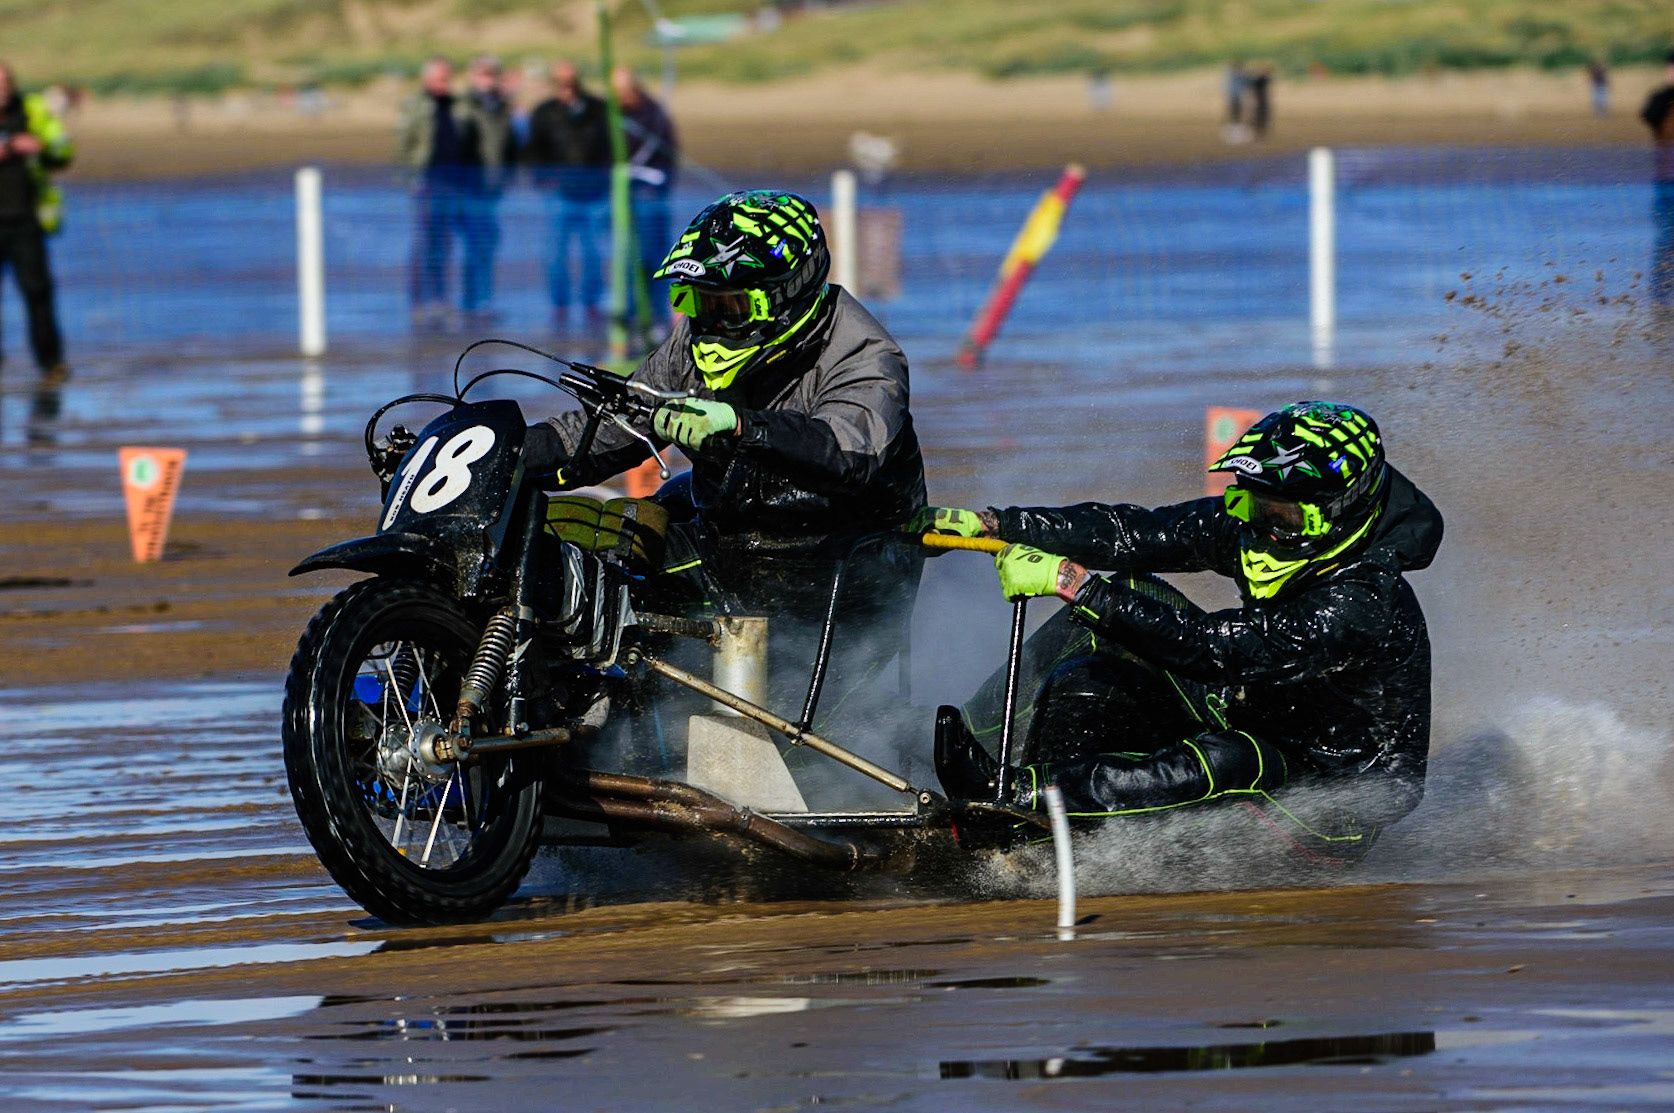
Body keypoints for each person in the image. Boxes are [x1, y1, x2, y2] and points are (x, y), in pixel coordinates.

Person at [925, 401, 1443, 863]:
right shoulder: (1259, 526)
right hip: (1260, 710)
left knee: (1233, 761)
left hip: (1329, 801)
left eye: (1281, 514)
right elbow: (1137, 533)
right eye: (1250, 504)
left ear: (1338, 511)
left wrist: (1074, 585)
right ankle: (948, 754)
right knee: (1126, 604)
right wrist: (999, 525)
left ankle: (1016, 799)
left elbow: (1217, 649)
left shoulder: (1361, 600)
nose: (1259, 526)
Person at [523, 190, 926, 725]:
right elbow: (609, 431)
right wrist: (492, 454)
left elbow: (850, 450)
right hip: (731, 540)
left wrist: (742, 426)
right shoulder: (691, 347)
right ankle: (563, 698)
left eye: (732, 306)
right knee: (567, 535)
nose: (712, 323)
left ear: (787, 295)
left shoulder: (864, 353)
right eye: (699, 302)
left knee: (643, 573)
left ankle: (649, 708)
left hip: (837, 570)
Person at [396, 57, 508, 328]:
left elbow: (485, 132)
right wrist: (411, 181)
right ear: (427, 79)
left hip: (460, 185)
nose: (445, 83)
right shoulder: (416, 106)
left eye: (448, 77)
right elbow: (405, 146)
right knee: (429, 246)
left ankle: (461, 302)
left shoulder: (461, 106)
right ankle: (425, 302)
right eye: (439, 77)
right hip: (429, 184)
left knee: (465, 243)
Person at [524, 61, 611, 330]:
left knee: (593, 253)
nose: (567, 88)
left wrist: (606, 178)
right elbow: (532, 151)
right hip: (559, 195)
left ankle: (591, 303)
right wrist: (542, 179)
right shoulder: (544, 113)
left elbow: (611, 145)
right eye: (561, 83)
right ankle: (559, 304)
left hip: (595, 194)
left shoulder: (598, 110)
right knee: (555, 254)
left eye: (571, 82)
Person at [0, 62, 73, 385]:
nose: (1, 89)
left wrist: (39, 147)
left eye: (4, 82)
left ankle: (51, 365)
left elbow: (63, 151)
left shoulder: (33, 110)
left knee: (38, 293)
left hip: (26, 220)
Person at [611, 66, 679, 333]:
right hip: (620, 198)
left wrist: (655, 183)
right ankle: (627, 317)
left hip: (650, 197)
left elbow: (668, 155)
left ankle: (655, 317)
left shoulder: (654, 114)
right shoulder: (612, 115)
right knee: (627, 260)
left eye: (623, 91)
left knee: (652, 257)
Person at [460, 54, 516, 324]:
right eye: (483, 74)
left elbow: (510, 145)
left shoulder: (502, 108)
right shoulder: (464, 107)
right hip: (468, 187)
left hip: (491, 189)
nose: (488, 79)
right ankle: (470, 302)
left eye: (492, 74)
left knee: (486, 245)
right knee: (473, 246)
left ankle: (482, 300)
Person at [1641, 51, 1674, 308]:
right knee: (1667, 237)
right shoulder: (1661, 100)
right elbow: (1648, 115)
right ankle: (1661, 297)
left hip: (1665, 180)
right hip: (1667, 181)